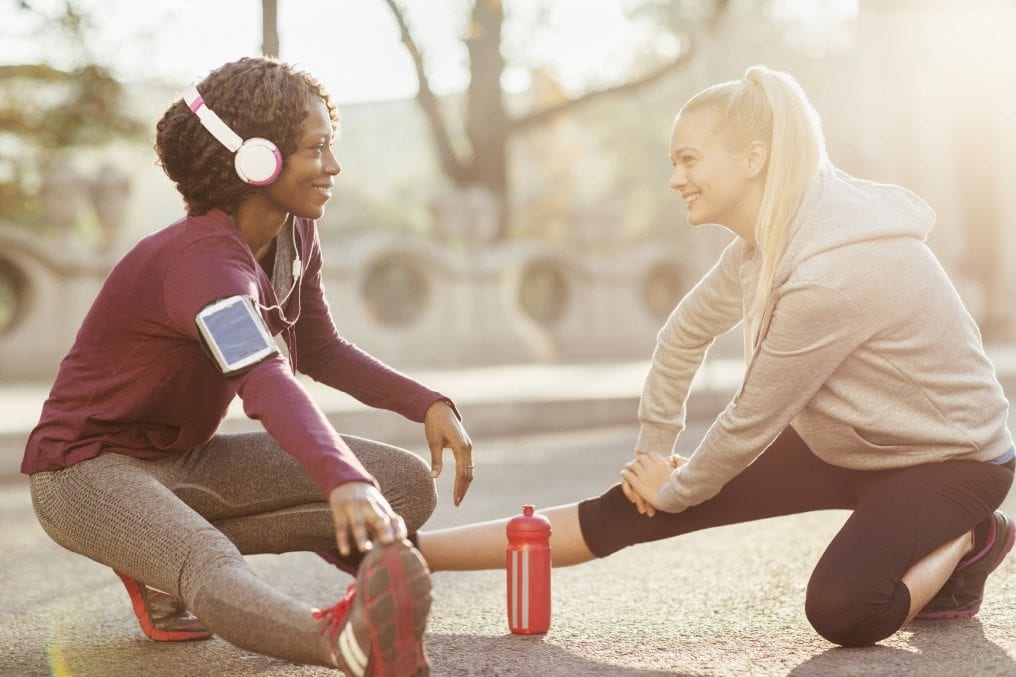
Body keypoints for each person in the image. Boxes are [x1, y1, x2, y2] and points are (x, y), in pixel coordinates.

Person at [410, 65, 1015, 648]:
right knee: (631, 509)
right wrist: (652, 456)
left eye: (689, 159)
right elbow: (681, 337)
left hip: (954, 459)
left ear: (752, 159)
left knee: (846, 607)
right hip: (851, 444)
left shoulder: (832, 271)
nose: (674, 179)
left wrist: (674, 489)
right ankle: (415, 554)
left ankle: (971, 536)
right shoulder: (762, 245)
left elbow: (752, 417)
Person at [23, 56, 474, 674]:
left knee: (401, 486)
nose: (333, 167)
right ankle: (336, 642)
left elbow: (316, 349)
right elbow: (264, 377)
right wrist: (341, 480)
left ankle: (158, 549)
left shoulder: (294, 236)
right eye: (317, 150)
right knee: (208, 562)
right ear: (256, 159)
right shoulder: (203, 268)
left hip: (186, 461)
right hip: (85, 473)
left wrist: (425, 401)